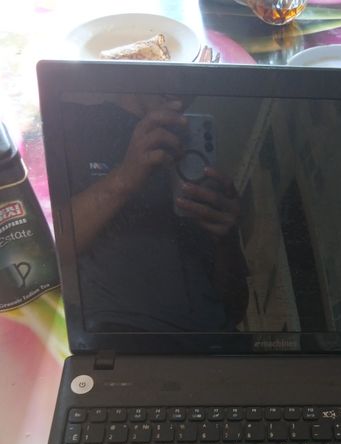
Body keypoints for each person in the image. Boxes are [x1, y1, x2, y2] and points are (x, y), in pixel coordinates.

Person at [62, 95, 248, 333]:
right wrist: (123, 179)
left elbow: (234, 309)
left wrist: (227, 239)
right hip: (122, 336)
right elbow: (44, 248)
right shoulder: (71, 121)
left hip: (217, 341)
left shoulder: (199, 140)